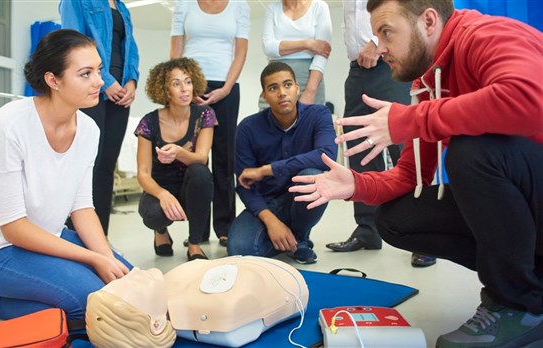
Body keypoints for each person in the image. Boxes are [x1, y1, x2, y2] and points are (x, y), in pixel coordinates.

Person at [290, 0, 543, 346]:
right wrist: (355, 185)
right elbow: (409, 176)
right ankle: (531, 281)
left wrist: (409, 120)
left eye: (386, 33)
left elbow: (528, 98)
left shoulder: (487, 35)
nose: (380, 48)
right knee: (397, 218)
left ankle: (520, 303)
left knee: (473, 153)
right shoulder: (429, 81)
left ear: (427, 21)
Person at [0, 29, 133, 322]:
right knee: (91, 306)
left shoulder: (88, 130)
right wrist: (92, 258)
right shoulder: (9, 125)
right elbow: (13, 229)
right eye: (85, 73)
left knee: (128, 289)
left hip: (47, 237)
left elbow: (82, 207)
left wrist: (107, 258)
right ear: (53, 80)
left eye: (99, 70)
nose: (100, 81)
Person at [326, 0, 436, 268]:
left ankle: (423, 237)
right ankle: (367, 229)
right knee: (358, 145)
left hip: (389, 63)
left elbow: (402, 11)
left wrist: (377, 42)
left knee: (403, 146)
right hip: (357, 69)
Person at [227, 62, 337, 264]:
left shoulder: (318, 115)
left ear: (297, 87)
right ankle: (287, 238)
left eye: (287, 85)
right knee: (239, 250)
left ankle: (300, 236)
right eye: (273, 88)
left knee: (312, 175)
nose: (282, 93)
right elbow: (244, 184)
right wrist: (270, 221)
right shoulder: (247, 128)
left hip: (300, 198)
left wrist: (268, 170)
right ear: (264, 96)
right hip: (266, 203)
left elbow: (327, 155)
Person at [170, 0, 250, 248]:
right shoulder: (184, 4)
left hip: (225, 88)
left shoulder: (239, 6)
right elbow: (176, 51)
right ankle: (198, 229)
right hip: (191, 88)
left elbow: (240, 52)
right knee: (195, 160)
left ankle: (225, 227)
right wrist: (184, 86)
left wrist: (226, 88)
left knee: (225, 159)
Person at [59, 0, 140, 241]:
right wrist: (105, 79)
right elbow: (73, 44)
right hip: (90, 90)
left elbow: (130, 47)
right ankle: (75, 239)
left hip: (120, 94)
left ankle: (100, 238)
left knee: (106, 167)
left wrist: (131, 81)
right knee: (86, 166)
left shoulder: (122, 7)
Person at [134, 57, 217, 261]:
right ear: (164, 90)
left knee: (200, 173)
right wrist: (163, 195)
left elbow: (201, 158)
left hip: (190, 187)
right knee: (153, 215)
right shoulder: (149, 122)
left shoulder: (204, 114)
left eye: (188, 81)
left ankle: (195, 243)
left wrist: (179, 152)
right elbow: (143, 174)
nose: (185, 89)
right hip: (159, 187)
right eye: (176, 83)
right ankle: (160, 232)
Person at [260, 0, 332, 108]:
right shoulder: (272, 8)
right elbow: (268, 47)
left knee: (310, 121)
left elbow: (323, 51)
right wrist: (307, 44)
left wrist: (310, 91)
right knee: (267, 121)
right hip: (275, 75)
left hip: (310, 77)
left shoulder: (319, 6)